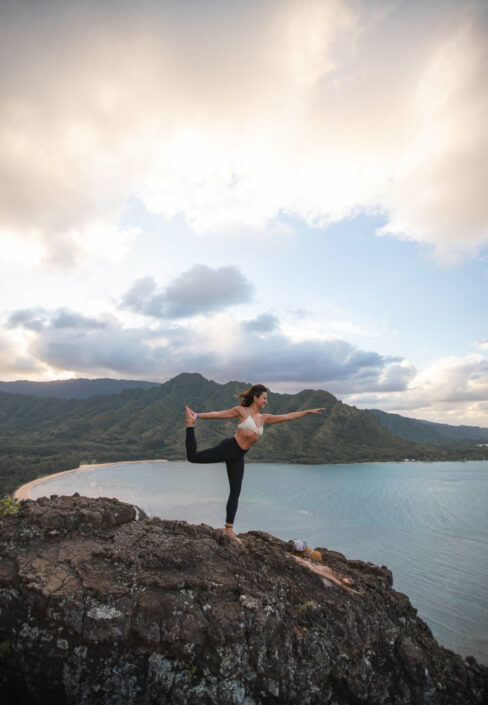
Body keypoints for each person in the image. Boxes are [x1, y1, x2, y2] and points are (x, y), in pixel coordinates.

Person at [185, 384, 324, 544]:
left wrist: (307, 412)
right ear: (255, 398)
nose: (266, 401)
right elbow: (219, 414)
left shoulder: (264, 418)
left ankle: (228, 530)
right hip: (228, 448)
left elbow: (288, 416)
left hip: (238, 456)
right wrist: (197, 416)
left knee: (235, 492)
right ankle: (189, 425)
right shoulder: (241, 411)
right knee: (193, 457)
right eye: (264, 398)